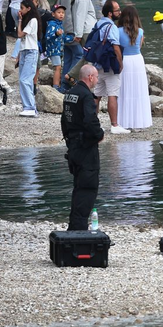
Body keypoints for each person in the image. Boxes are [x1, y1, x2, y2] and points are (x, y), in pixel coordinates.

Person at [61, 63, 105, 230]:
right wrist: (99, 135)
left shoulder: (70, 93)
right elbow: (90, 120)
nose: (97, 80)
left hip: (73, 146)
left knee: (78, 187)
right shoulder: (86, 95)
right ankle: (79, 228)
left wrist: (69, 140)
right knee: (87, 188)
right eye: (97, 77)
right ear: (90, 77)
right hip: (86, 148)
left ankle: (74, 225)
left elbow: (64, 120)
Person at [93, 0, 126, 133]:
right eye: (117, 10)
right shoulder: (112, 27)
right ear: (110, 13)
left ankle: (93, 123)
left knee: (97, 95)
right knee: (113, 94)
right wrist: (120, 63)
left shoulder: (99, 23)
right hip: (109, 65)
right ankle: (114, 125)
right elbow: (115, 47)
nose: (120, 12)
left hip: (98, 63)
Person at [116, 6, 151, 131]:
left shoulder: (118, 31)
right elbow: (139, 46)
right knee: (138, 90)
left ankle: (124, 121)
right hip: (137, 60)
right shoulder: (140, 31)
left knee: (125, 90)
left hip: (125, 60)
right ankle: (139, 121)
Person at [64, 0, 100, 83]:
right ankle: (79, 78)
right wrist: (78, 34)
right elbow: (80, 15)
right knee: (90, 57)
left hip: (86, 31)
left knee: (87, 56)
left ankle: (72, 76)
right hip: (87, 32)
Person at [14, 0, 40, 117]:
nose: (20, 10)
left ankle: (30, 107)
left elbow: (20, 34)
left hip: (31, 52)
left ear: (28, 8)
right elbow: (21, 39)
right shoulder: (27, 20)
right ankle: (28, 106)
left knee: (25, 79)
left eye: (22, 8)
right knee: (23, 79)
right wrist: (19, 55)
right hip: (24, 51)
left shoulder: (33, 20)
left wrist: (19, 20)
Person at [45, 4, 66, 90]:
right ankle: (56, 86)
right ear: (53, 14)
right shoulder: (52, 24)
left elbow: (62, 38)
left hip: (59, 49)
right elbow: (48, 37)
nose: (61, 14)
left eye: (63, 13)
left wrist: (72, 38)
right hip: (53, 49)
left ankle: (58, 85)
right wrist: (56, 34)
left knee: (59, 67)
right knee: (58, 67)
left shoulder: (60, 24)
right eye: (59, 12)